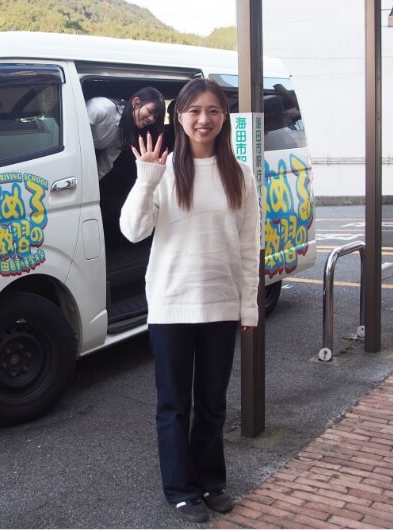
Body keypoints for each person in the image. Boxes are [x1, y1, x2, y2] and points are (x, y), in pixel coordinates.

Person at [119, 78, 260, 523]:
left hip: (220, 304)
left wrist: (249, 305)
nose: (204, 119)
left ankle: (211, 480)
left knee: (213, 403)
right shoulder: (160, 169)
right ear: (178, 116)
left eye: (214, 111)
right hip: (172, 304)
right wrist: (146, 180)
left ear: (224, 118)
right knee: (174, 405)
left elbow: (247, 246)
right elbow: (131, 230)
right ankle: (181, 488)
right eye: (194, 110)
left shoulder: (240, 175)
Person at [87, 87, 165, 179]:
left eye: (155, 117)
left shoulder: (124, 131)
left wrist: (91, 183)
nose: (152, 119)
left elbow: (106, 163)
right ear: (135, 102)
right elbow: (73, 138)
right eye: (150, 111)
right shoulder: (101, 109)